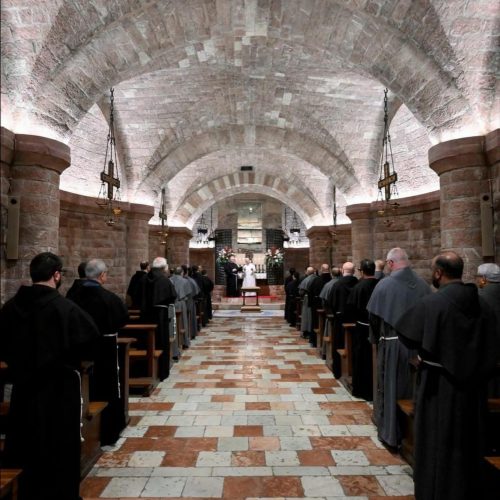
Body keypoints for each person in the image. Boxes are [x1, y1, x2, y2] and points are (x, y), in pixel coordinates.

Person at [396, 251, 500, 500]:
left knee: (437, 441)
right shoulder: (482, 304)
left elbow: (407, 334)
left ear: (438, 273)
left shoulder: (432, 303)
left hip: (438, 388)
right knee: (468, 442)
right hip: (473, 390)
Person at [0, 252, 100, 500]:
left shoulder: (11, 307)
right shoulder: (65, 308)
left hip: (24, 388)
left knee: (25, 441)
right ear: (56, 275)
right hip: (59, 391)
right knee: (59, 445)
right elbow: (90, 342)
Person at [366, 247, 431, 448]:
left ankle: (391, 433)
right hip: (418, 348)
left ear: (391, 263)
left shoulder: (384, 285)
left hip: (393, 345)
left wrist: (375, 339)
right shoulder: (423, 284)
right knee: (413, 389)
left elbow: (373, 319)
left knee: (392, 387)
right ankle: (415, 438)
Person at [68, 258, 129, 445]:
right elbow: (122, 320)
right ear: (102, 276)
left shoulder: (71, 296)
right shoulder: (109, 298)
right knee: (105, 386)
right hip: (104, 350)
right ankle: (108, 430)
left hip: (80, 350)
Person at [140, 257, 177, 380]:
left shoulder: (144, 279)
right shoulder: (164, 280)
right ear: (163, 267)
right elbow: (172, 296)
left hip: (146, 314)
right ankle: (162, 371)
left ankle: (145, 371)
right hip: (160, 315)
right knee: (161, 341)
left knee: (147, 341)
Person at [347, 259, 378, 400]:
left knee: (362, 359)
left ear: (361, 271)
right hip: (378, 329)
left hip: (362, 328)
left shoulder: (358, 287)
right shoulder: (380, 285)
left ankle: (362, 390)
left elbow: (351, 307)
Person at [327, 262, 358, 378]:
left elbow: (331, 303)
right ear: (354, 271)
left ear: (342, 270)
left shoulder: (337, 284)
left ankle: (338, 370)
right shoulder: (358, 284)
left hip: (340, 319)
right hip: (355, 320)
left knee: (339, 343)